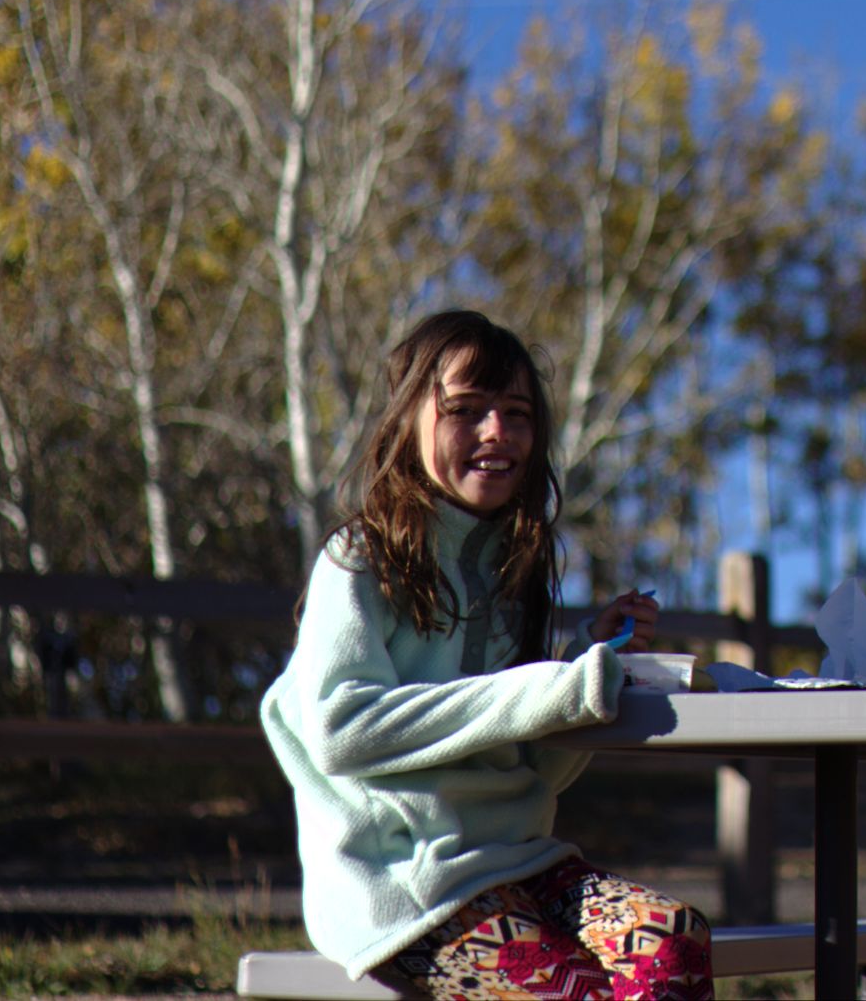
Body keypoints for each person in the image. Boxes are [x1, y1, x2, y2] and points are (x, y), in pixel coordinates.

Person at [261, 309, 712, 1000]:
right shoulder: (357, 561)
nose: (497, 432)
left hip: (522, 864)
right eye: (466, 411)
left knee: (671, 937)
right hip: (407, 891)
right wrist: (553, 688)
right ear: (408, 423)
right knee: (575, 990)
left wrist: (586, 662)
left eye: (517, 413)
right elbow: (340, 731)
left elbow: (535, 768)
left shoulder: (514, 575)